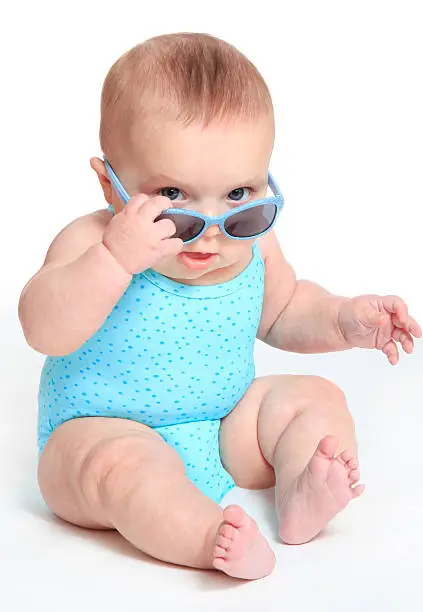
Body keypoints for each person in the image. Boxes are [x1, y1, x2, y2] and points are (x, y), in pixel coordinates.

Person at [18, 32, 421, 581]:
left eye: (238, 199)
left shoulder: (252, 248)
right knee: (119, 470)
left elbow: (283, 312)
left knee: (314, 396)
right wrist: (114, 260)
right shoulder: (92, 242)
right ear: (110, 187)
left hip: (223, 427)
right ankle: (209, 536)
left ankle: (302, 486)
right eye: (173, 201)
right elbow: (43, 328)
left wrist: (344, 319)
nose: (210, 235)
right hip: (101, 431)